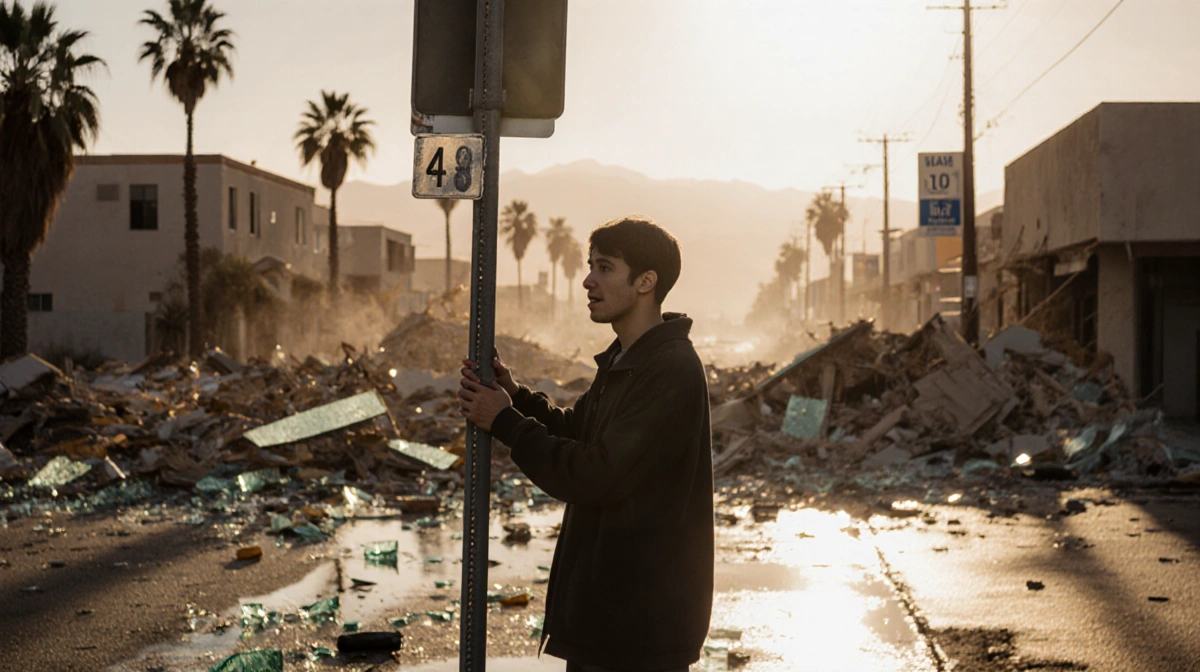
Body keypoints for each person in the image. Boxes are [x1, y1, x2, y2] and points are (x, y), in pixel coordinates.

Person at [458, 215, 714, 672]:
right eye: (591, 265)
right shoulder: (627, 358)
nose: (588, 281)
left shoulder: (669, 369)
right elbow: (579, 431)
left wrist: (504, 422)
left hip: (639, 629)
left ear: (645, 282)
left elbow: (595, 473)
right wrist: (516, 397)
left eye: (606, 268)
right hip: (612, 619)